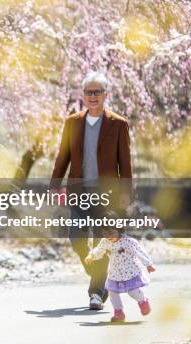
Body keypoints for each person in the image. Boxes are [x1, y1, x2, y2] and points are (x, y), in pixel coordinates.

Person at [50, 72, 133, 310]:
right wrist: (55, 184)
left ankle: (96, 293)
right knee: (76, 237)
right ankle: (97, 275)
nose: (93, 96)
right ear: (83, 95)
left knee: (102, 241)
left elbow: (125, 162)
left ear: (106, 95)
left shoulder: (118, 124)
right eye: (89, 92)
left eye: (98, 92)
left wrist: (127, 191)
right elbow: (63, 156)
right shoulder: (72, 122)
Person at [85, 225, 155, 322]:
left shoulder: (128, 241)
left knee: (133, 292)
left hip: (131, 272)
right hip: (115, 273)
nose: (109, 236)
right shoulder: (105, 242)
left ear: (119, 231)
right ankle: (119, 313)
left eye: (112, 233)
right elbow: (99, 250)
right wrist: (91, 255)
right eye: (106, 234)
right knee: (112, 293)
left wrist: (148, 264)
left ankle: (143, 301)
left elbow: (139, 252)